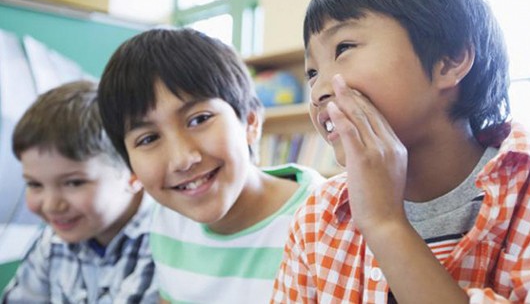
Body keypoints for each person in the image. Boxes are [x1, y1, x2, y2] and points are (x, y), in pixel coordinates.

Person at [271, 0, 530, 303]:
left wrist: (385, 224)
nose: (317, 92)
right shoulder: (319, 215)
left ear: (450, 61)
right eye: (311, 72)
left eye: (344, 48)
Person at [97, 28, 324, 303]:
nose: (183, 158)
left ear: (251, 123)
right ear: (130, 166)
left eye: (199, 119)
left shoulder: (324, 220)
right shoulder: (167, 221)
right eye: (148, 138)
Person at [2, 80, 157, 303]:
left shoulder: (162, 244)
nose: (51, 205)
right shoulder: (54, 241)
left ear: (134, 172)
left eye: (74, 183)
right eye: (35, 184)